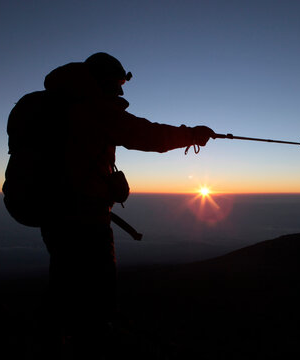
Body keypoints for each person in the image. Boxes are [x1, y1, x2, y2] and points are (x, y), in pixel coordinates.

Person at [15, 52, 215, 358]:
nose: (121, 93)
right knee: (97, 290)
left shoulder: (54, 105)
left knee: (65, 279)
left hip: (52, 211)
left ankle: (51, 341)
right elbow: (148, 135)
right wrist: (191, 135)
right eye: (118, 84)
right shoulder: (92, 108)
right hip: (86, 217)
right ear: (102, 81)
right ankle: (92, 346)